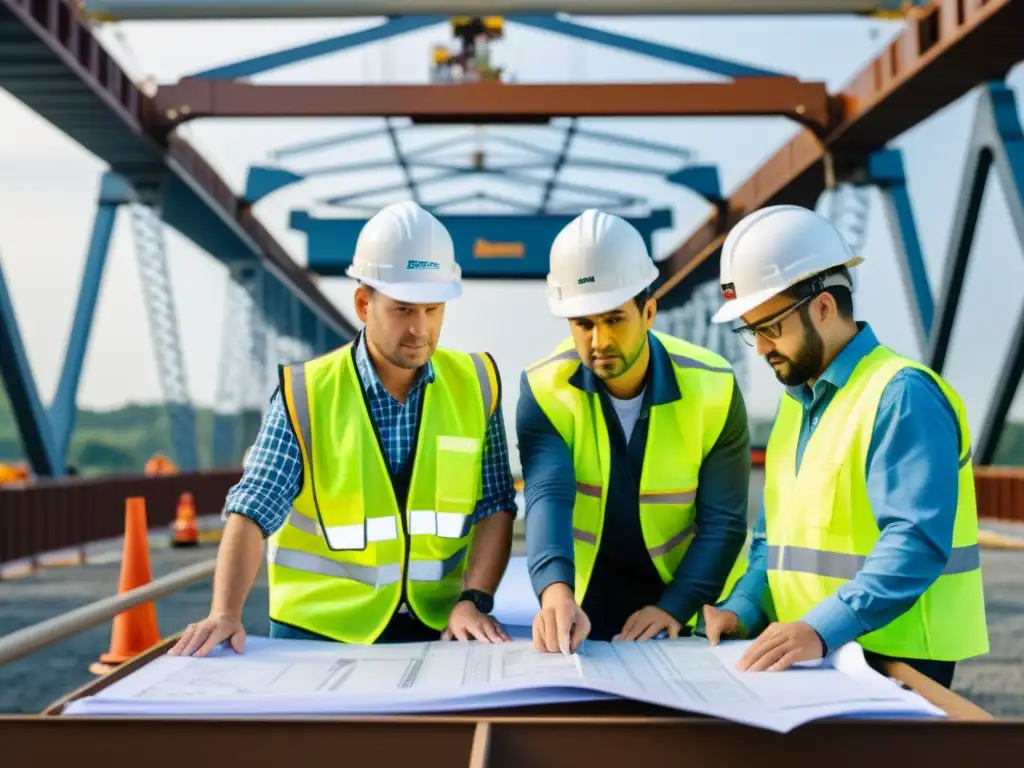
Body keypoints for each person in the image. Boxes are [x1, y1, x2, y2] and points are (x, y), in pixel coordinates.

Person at [170, 201, 518, 657]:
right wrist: (225, 613)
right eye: (403, 309)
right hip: (317, 636)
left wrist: (474, 599)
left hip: (439, 629)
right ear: (362, 304)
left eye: (433, 310)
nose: (420, 329)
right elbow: (253, 508)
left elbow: (494, 503)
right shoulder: (306, 394)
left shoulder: (476, 385)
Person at [700, 204, 988, 688]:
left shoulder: (902, 395)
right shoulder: (796, 405)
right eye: (752, 332)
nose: (763, 347)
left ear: (824, 308)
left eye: (770, 327)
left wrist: (821, 626)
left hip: (898, 663)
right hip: (814, 655)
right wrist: (744, 607)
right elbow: (778, 540)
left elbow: (915, 541)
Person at [518, 209, 752, 654]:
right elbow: (546, 496)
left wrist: (675, 607)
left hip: (692, 598)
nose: (599, 341)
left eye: (614, 320)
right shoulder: (543, 388)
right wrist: (555, 593)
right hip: (585, 601)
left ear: (648, 312)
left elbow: (724, 523)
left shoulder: (714, 385)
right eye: (583, 324)